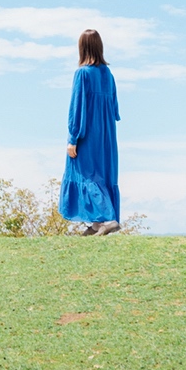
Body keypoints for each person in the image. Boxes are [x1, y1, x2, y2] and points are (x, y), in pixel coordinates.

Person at [60, 29, 121, 236]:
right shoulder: (108, 75)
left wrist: (73, 138)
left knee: (86, 174)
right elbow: (114, 109)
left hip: (88, 135)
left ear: (82, 48)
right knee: (101, 176)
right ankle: (96, 224)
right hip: (107, 137)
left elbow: (77, 108)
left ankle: (108, 219)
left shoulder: (82, 73)